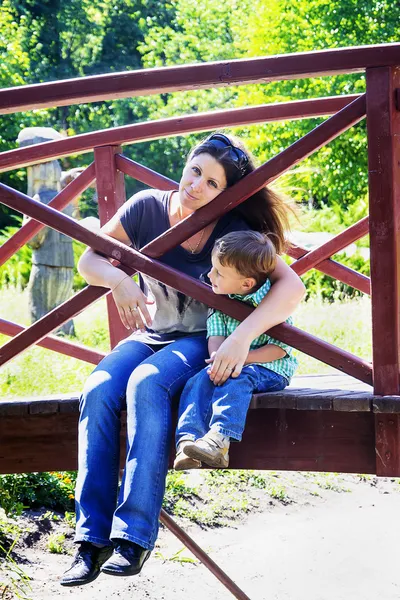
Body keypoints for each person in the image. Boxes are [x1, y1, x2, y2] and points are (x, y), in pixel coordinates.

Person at [60, 132, 305, 587]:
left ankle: (132, 538)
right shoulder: (148, 207)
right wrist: (118, 279)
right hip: (152, 333)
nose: (197, 185)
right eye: (196, 170)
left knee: (146, 384)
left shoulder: (235, 228)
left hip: (202, 339)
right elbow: (89, 258)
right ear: (187, 163)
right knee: (97, 390)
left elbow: (293, 288)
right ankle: (89, 541)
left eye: (213, 183)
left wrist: (241, 340)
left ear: (225, 193)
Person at [174, 230, 298, 470]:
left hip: (270, 368)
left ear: (246, 284)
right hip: (237, 365)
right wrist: (218, 360)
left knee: (238, 378)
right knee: (197, 380)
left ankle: (220, 440)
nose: (210, 275)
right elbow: (216, 336)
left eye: (218, 272)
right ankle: (187, 441)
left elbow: (280, 350)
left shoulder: (271, 302)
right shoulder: (221, 299)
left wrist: (241, 359)